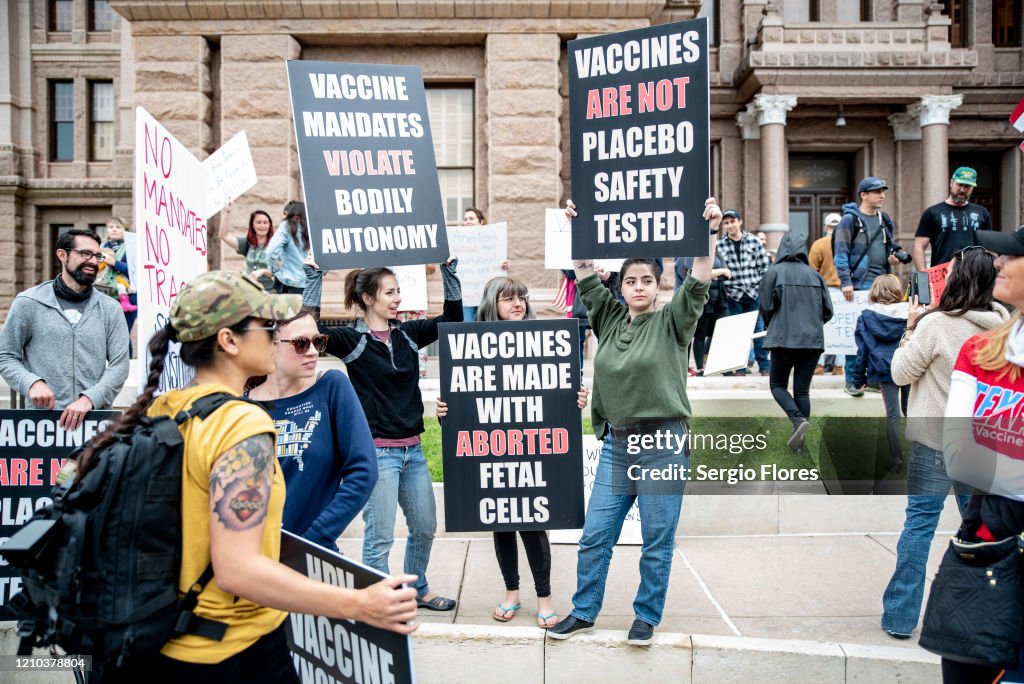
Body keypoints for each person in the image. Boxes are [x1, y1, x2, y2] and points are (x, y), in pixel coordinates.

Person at [82, 271, 417, 682]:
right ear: (228, 341)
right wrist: (358, 604)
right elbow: (238, 569)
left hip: (161, 637)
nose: (271, 336)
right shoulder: (241, 425)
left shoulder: (166, 408)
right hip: (233, 648)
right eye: (264, 327)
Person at [549, 197, 720, 647]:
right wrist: (577, 228)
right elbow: (584, 271)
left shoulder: (673, 321)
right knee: (594, 535)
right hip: (618, 446)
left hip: (664, 444)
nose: (639, 286)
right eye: (631, 280)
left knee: (655, 540)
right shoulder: (606, 318)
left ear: (658, 285)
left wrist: (709, 231)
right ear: (621, 286)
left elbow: (700, 277)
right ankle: (584, 611)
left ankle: (645, 617)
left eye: (647, 279)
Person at [436, 276, 588, 629]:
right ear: (492, 304)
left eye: (521, 297)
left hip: (533, 451)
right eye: (508, 298)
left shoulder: (545, 342)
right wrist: (449, 412)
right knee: (500, 522)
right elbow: (466, 405)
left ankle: (545, 596)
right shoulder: (469, 348)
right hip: (493, 451)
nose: (517, 303)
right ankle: (512, 592)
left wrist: (575, 400)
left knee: (533, 524)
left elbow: (557, 396)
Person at [316, 260, 463, 611]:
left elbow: (452, 321)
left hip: (413, 450)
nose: (398, 298)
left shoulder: (409, 334)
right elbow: (310, 329)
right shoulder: (350, 340)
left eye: (398, 291)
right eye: (390, 292)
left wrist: (448, 272)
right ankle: (380, 604)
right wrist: (312, 278)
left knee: (425, 527)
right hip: (378, 454)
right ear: (368, 298)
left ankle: (416, 590)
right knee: (379, 537)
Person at [881, 246, 1006, 640]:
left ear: (958, 278)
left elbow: (900, 374)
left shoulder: (937, 325)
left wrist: (910, 329)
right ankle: (983, 617)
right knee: (982, 533)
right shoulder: (1004, 324)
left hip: (935, 441)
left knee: (919, 527)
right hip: (985, 443)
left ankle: (900, 619)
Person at [937, 224, 1024, 683]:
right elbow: (960, 456)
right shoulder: (982, 349)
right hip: (991, 548)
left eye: (1013, 256)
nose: (999, 263)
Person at [248, 309, 377, 549]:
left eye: (319, 341)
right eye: (300, 343)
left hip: (313, 555)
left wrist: (315, 539)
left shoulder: (331, 387)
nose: (313, 351)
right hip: (256, 562)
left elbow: (363, 471)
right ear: (269, 346)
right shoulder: (242, 405)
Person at [0, 228, 129, 430]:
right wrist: (31, 383)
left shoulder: (110, 308)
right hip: (41, 425)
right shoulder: (29, 302)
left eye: (97, 256)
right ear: (62, 254)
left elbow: (119, 365)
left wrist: (89, 399)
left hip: (94, 423)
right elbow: (6, 355)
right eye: (85, 254)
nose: (94, 262)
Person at [758, 230, 834, 452]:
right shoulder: (815, 276)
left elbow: (765, 306)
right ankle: (799, 445)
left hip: (783, 338)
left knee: (777, 385)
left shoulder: (773, 272)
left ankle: (798, 421)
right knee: (802, 391)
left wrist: (773, 324)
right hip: (812, 341)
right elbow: (828, 312)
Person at [834, 177, 902, 396]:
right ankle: (853, 381)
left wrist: (892, 258)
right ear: (863, 195)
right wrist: (845, 281)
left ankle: (873, 379)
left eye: (883, 191)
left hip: (882, 283)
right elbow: (841, 253)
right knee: (855, 334)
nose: (881, 195)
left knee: (878, 332)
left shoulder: (884, 219)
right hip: (859, 284)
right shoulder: (849, 220)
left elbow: (890, 246)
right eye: (876, 192)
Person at [851, 274, 910, 470]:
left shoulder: (866, 316)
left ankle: (896, 459)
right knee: (912, 410)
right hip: (910, 367)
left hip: (884, 370)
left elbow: (862, 351)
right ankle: (920, 455)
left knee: (892, 414)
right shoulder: (912, 314)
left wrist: (857, 378)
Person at [717, 209, 771, 376]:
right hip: (733, 295)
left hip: (754, 294)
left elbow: (765, 267)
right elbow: (718, 268)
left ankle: (764, 367)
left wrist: (760, 288)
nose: (730, 225)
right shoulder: (719, 245)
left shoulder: (754, 242)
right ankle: (740, 367)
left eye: (732, 221)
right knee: (737, 333)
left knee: (759, 331)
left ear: (739, 222)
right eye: (726, 223)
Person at [913, 166, 993, 270]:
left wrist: (989, 273)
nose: (962, 190)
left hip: (974, 274)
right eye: (959, 185)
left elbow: (989, 246)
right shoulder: (932, 212)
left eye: (967, 186)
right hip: (941, 274)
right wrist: (923, 275)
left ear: (973, 188)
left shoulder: (982, 212)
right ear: (951, 183)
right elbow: (919, 246)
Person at [675, 254, 731, 375]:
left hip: (719, 299)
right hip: (701, 300)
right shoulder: (689, 256)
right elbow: (696, 277)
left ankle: (723, 366)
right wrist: (720, 272)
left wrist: (711, 274)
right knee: (700, 334)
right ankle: (699, 368)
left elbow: (728, 275)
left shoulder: (718, 254)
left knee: (720, 334)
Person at [461, 207, 509, 321]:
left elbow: (498, 261)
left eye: (471, 218)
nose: (467, 221)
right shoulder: (458, 243)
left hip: (487, 294)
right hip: (466, 295)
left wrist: (504, 265)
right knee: (467, 326)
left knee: (486, 325)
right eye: (465, 219)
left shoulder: (492, 240)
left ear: (481, 221)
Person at [809, 213, 842, 373]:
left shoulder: (819, 244)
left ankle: (819, 364)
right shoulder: (848, 243)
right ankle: (839, 366)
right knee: (842, 329)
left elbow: (812, 270)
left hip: (823, 290)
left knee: (821, 328)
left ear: (825, 226)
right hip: (845, 292)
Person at [218, 204, 276, 291]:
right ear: (252, 225)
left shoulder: (275, 245)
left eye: (265, 222)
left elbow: (279, 271)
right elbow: (223, 235)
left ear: (269, 225)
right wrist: (226, 212)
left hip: (270, 293)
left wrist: (262, 271)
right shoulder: (247, 243)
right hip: (251, 291)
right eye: (258, 222)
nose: (262, 226)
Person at [267, 201, 309, 295]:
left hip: (287, 283)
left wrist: (274, 269)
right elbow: (327, 252)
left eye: (285, 214)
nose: (283, 217)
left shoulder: (286, 226)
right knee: (309, 310)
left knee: (283, 309)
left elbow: (271, 251)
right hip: (310, 285)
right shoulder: (314, 228)